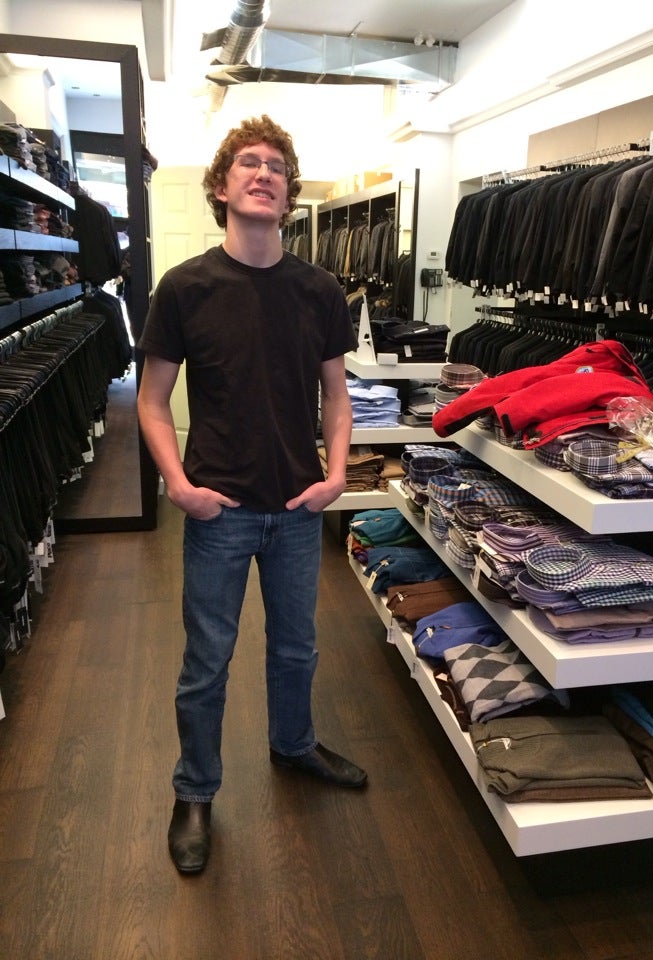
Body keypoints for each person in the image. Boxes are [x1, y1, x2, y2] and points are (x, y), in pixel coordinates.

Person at [137, 114, 367, 875]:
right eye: (248, 162)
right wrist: (178, 486)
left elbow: (337, 395)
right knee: (207, 662)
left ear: (289, 195)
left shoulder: (319, 290)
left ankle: (294, 745)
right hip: (220, 512)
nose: (263, 173)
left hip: (298, 509)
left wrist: (337, 473)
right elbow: (151, 400)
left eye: (276, 166)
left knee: (298, 648)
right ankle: (194, 791)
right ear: (220, 185)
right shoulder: (186, 287)